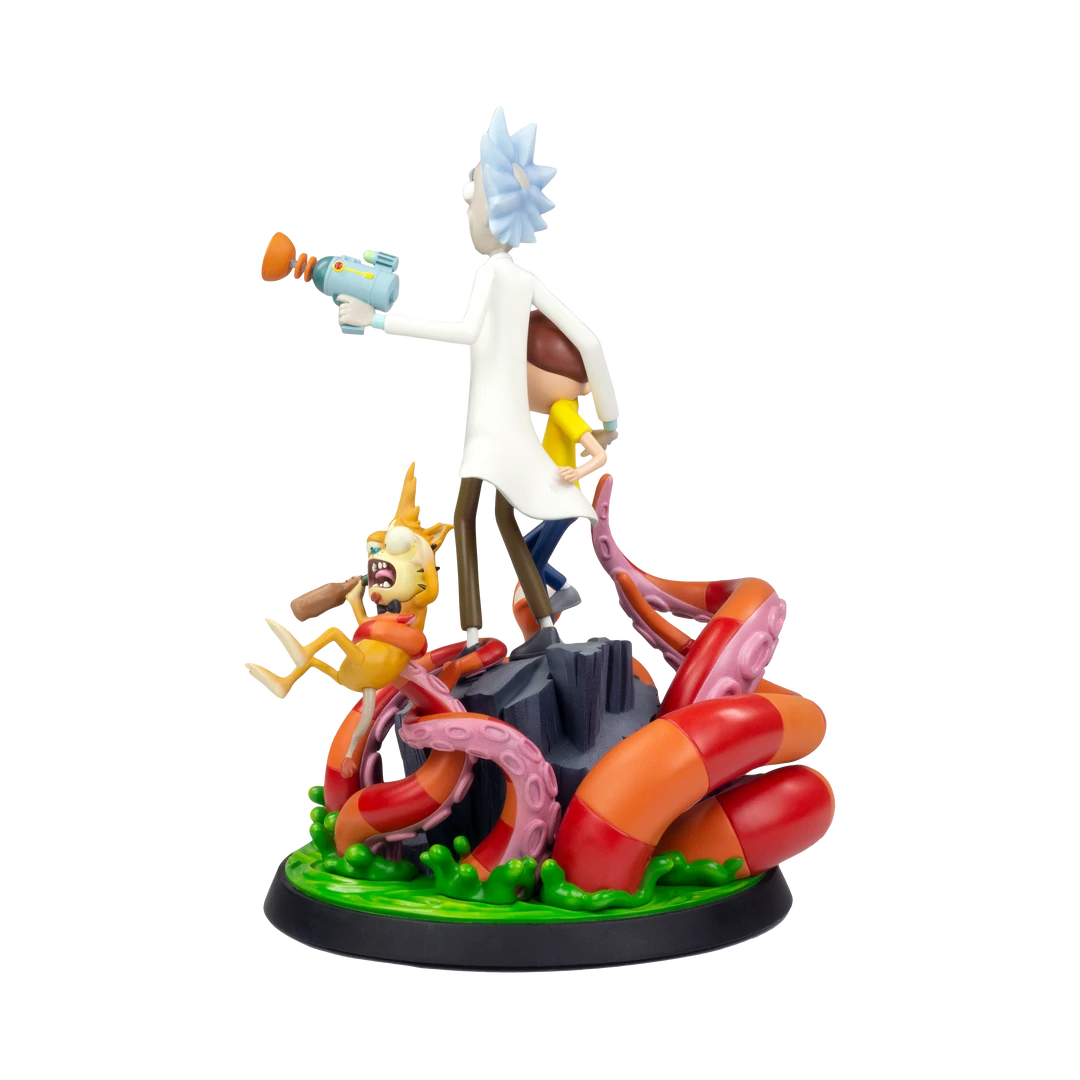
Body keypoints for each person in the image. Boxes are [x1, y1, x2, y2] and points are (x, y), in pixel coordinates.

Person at [337, 106, 621, 658]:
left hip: (490, 429)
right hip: (510, 424)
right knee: (505, 522)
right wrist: (610, 420)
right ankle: (545, 625)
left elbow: (465, 332)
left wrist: (380, 321)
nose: (464, 202)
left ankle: (472, 633)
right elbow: (590, 344)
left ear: (499, 209)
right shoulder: (524, 277)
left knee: (466, 518)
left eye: (473, 193)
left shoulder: (492, 272)